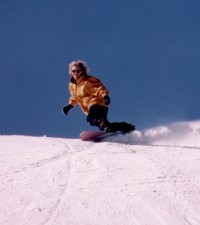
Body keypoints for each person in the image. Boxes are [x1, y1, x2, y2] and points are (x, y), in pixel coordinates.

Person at [62, 60, 135, 133]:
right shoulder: (72, 85)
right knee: (105, 125)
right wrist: (69, 106)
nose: (75, 73)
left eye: (78, 71)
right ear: (70, 72)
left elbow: (99, 88)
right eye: (73, 71)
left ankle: (103, 125)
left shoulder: (88, 80)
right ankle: (127, 128)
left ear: (83, 71)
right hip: (92, 107)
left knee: (90, 119)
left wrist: (105, 96)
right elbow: (74, 96)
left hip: (97, 103)